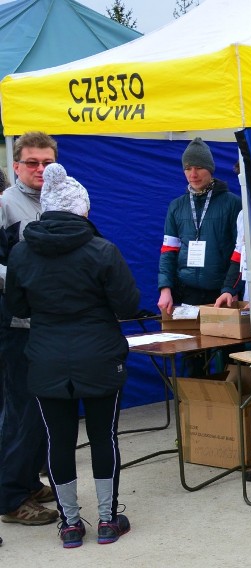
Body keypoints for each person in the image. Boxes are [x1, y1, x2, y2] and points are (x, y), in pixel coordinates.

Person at [4, 163, 140, 548]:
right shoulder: (102, 250)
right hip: (99, 355)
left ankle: (69, 524)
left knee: (58, 440)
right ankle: (109, 520)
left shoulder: (21, 253)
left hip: (46, 355)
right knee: (103, 438)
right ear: (82, 210)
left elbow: (16, 305)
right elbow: (128, 304)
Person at [0, 131, 60, 527]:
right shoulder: (5, 205)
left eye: (47, 163)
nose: (41, 170)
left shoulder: (59, 198)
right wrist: (25, 282)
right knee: (24, 411)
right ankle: (10, 497)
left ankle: (28, 478)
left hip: (51, 323)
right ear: (16, 165)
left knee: (44, 408)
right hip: (18, 325)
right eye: (33, 163)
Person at [157, 137, 241, 374]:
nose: (193, 174)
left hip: (221, 293)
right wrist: (165, 288)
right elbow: (168, 250)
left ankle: (232, 405)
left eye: (198, 167)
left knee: (228, 354)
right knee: (192, 355)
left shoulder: (232, 204)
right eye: (188, 168)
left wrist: (230, 288)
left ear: (210, 169)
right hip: (187, 292)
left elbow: (241, 250)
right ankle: (197, 406)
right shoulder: (177, 206)